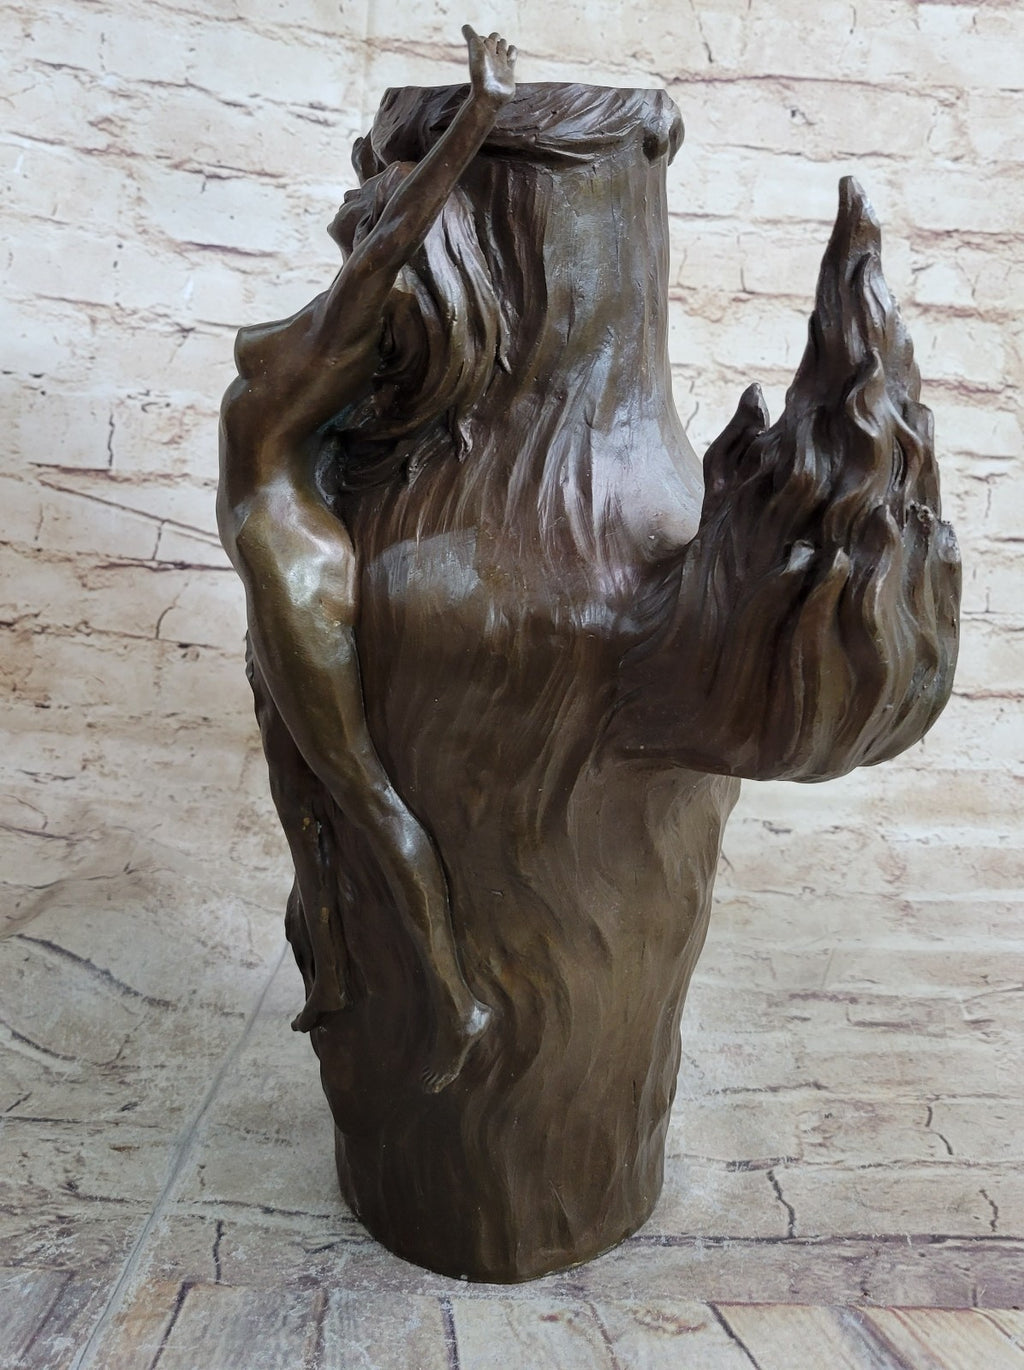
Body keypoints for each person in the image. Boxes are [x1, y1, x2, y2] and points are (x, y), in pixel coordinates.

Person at [217, 27, 518, 1091]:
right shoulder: (331, 320)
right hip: (264, 552)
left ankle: (455, 995)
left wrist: (479, 113)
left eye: (376, 198)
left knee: (360, 788)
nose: (358, 202)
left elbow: (400, 230)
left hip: (289, 555)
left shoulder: (350, 317)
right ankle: (335, 966)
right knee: (291, 770)